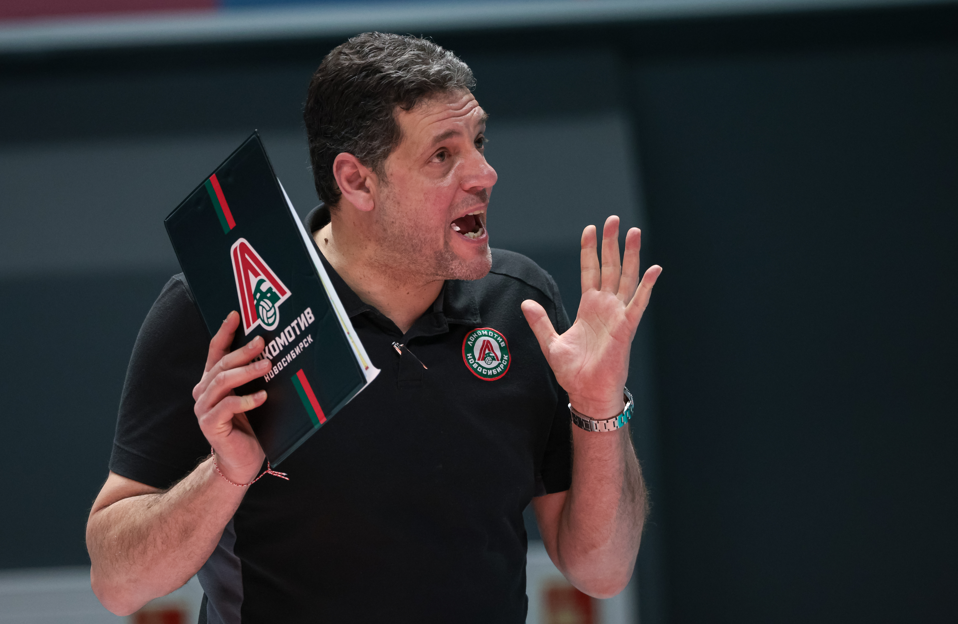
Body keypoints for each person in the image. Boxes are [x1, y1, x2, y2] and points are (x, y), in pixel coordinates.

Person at [86, 32, 661, 623]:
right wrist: (225, 475)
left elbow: (602, 570)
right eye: (443, 156)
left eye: (479, 141)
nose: (485, 174)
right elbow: (117, 584)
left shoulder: (523, 306)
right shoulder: (222, 310)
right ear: (357, 181)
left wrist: (598, 407)